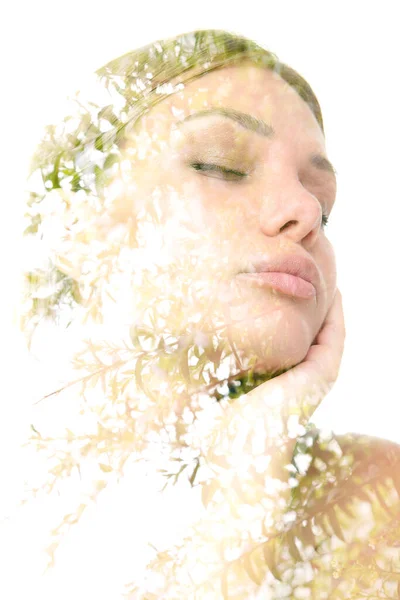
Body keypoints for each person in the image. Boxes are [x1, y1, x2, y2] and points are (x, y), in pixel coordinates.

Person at [21, 29, 400, 599]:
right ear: (80, 231)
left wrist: (252, 471)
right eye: (219, 165)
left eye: (324, 203)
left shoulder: (377, 504)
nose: (305, 211)